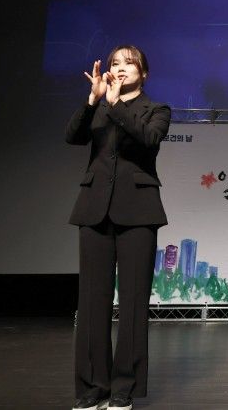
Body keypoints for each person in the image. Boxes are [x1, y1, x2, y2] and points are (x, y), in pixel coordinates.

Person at [66, 45, 171, 410]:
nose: (121, 67)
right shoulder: (99, 105)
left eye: (129, 63)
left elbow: (149, 139)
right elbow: (73, 136)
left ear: (144, 73)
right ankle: (92, 387)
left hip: (138, 211)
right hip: (94, 208)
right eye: (115, 63)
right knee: (91, 302)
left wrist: (115, 105)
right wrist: (93, 100)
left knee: (133, 302)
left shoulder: (156, 109)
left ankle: (124, 386)